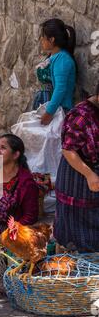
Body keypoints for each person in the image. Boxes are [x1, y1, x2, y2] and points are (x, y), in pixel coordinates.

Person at [54, 83, 99, 252]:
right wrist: (89, 174)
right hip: (78, 176)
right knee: (76, 234)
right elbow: (68, 149)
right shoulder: (81, 116)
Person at [39, 18, 76, 125]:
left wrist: (49, 113)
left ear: (52, 39)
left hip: (61, 110)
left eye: (44, 37)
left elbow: (60, 89)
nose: (42, 40)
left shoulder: (63, 60)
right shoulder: (55, 57)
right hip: (56, 108)